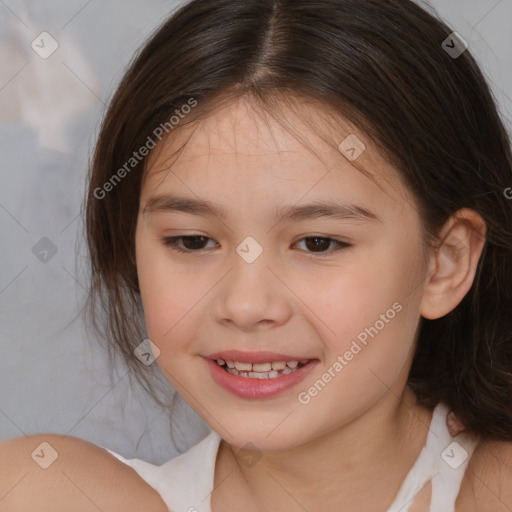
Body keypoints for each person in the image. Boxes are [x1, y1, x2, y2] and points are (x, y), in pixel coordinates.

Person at [2, 0, 512, 510]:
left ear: (445, 264)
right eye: (192, 241)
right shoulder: (48, 492)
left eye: (318, 243)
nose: (245, 305)